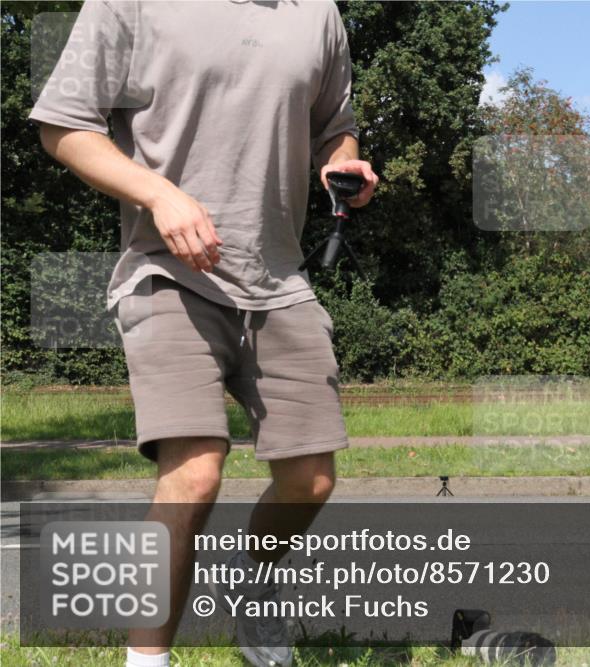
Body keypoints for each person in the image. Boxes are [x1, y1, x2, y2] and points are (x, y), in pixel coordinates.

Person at [28, 1, 378, 666]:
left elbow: (336, 126)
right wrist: (159, 194)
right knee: (193, 473)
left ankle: (256, 586)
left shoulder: (318, 13)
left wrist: (346, 166)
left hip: (278, 278)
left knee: (311, 479)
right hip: (166, 270)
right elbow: (64, 127)